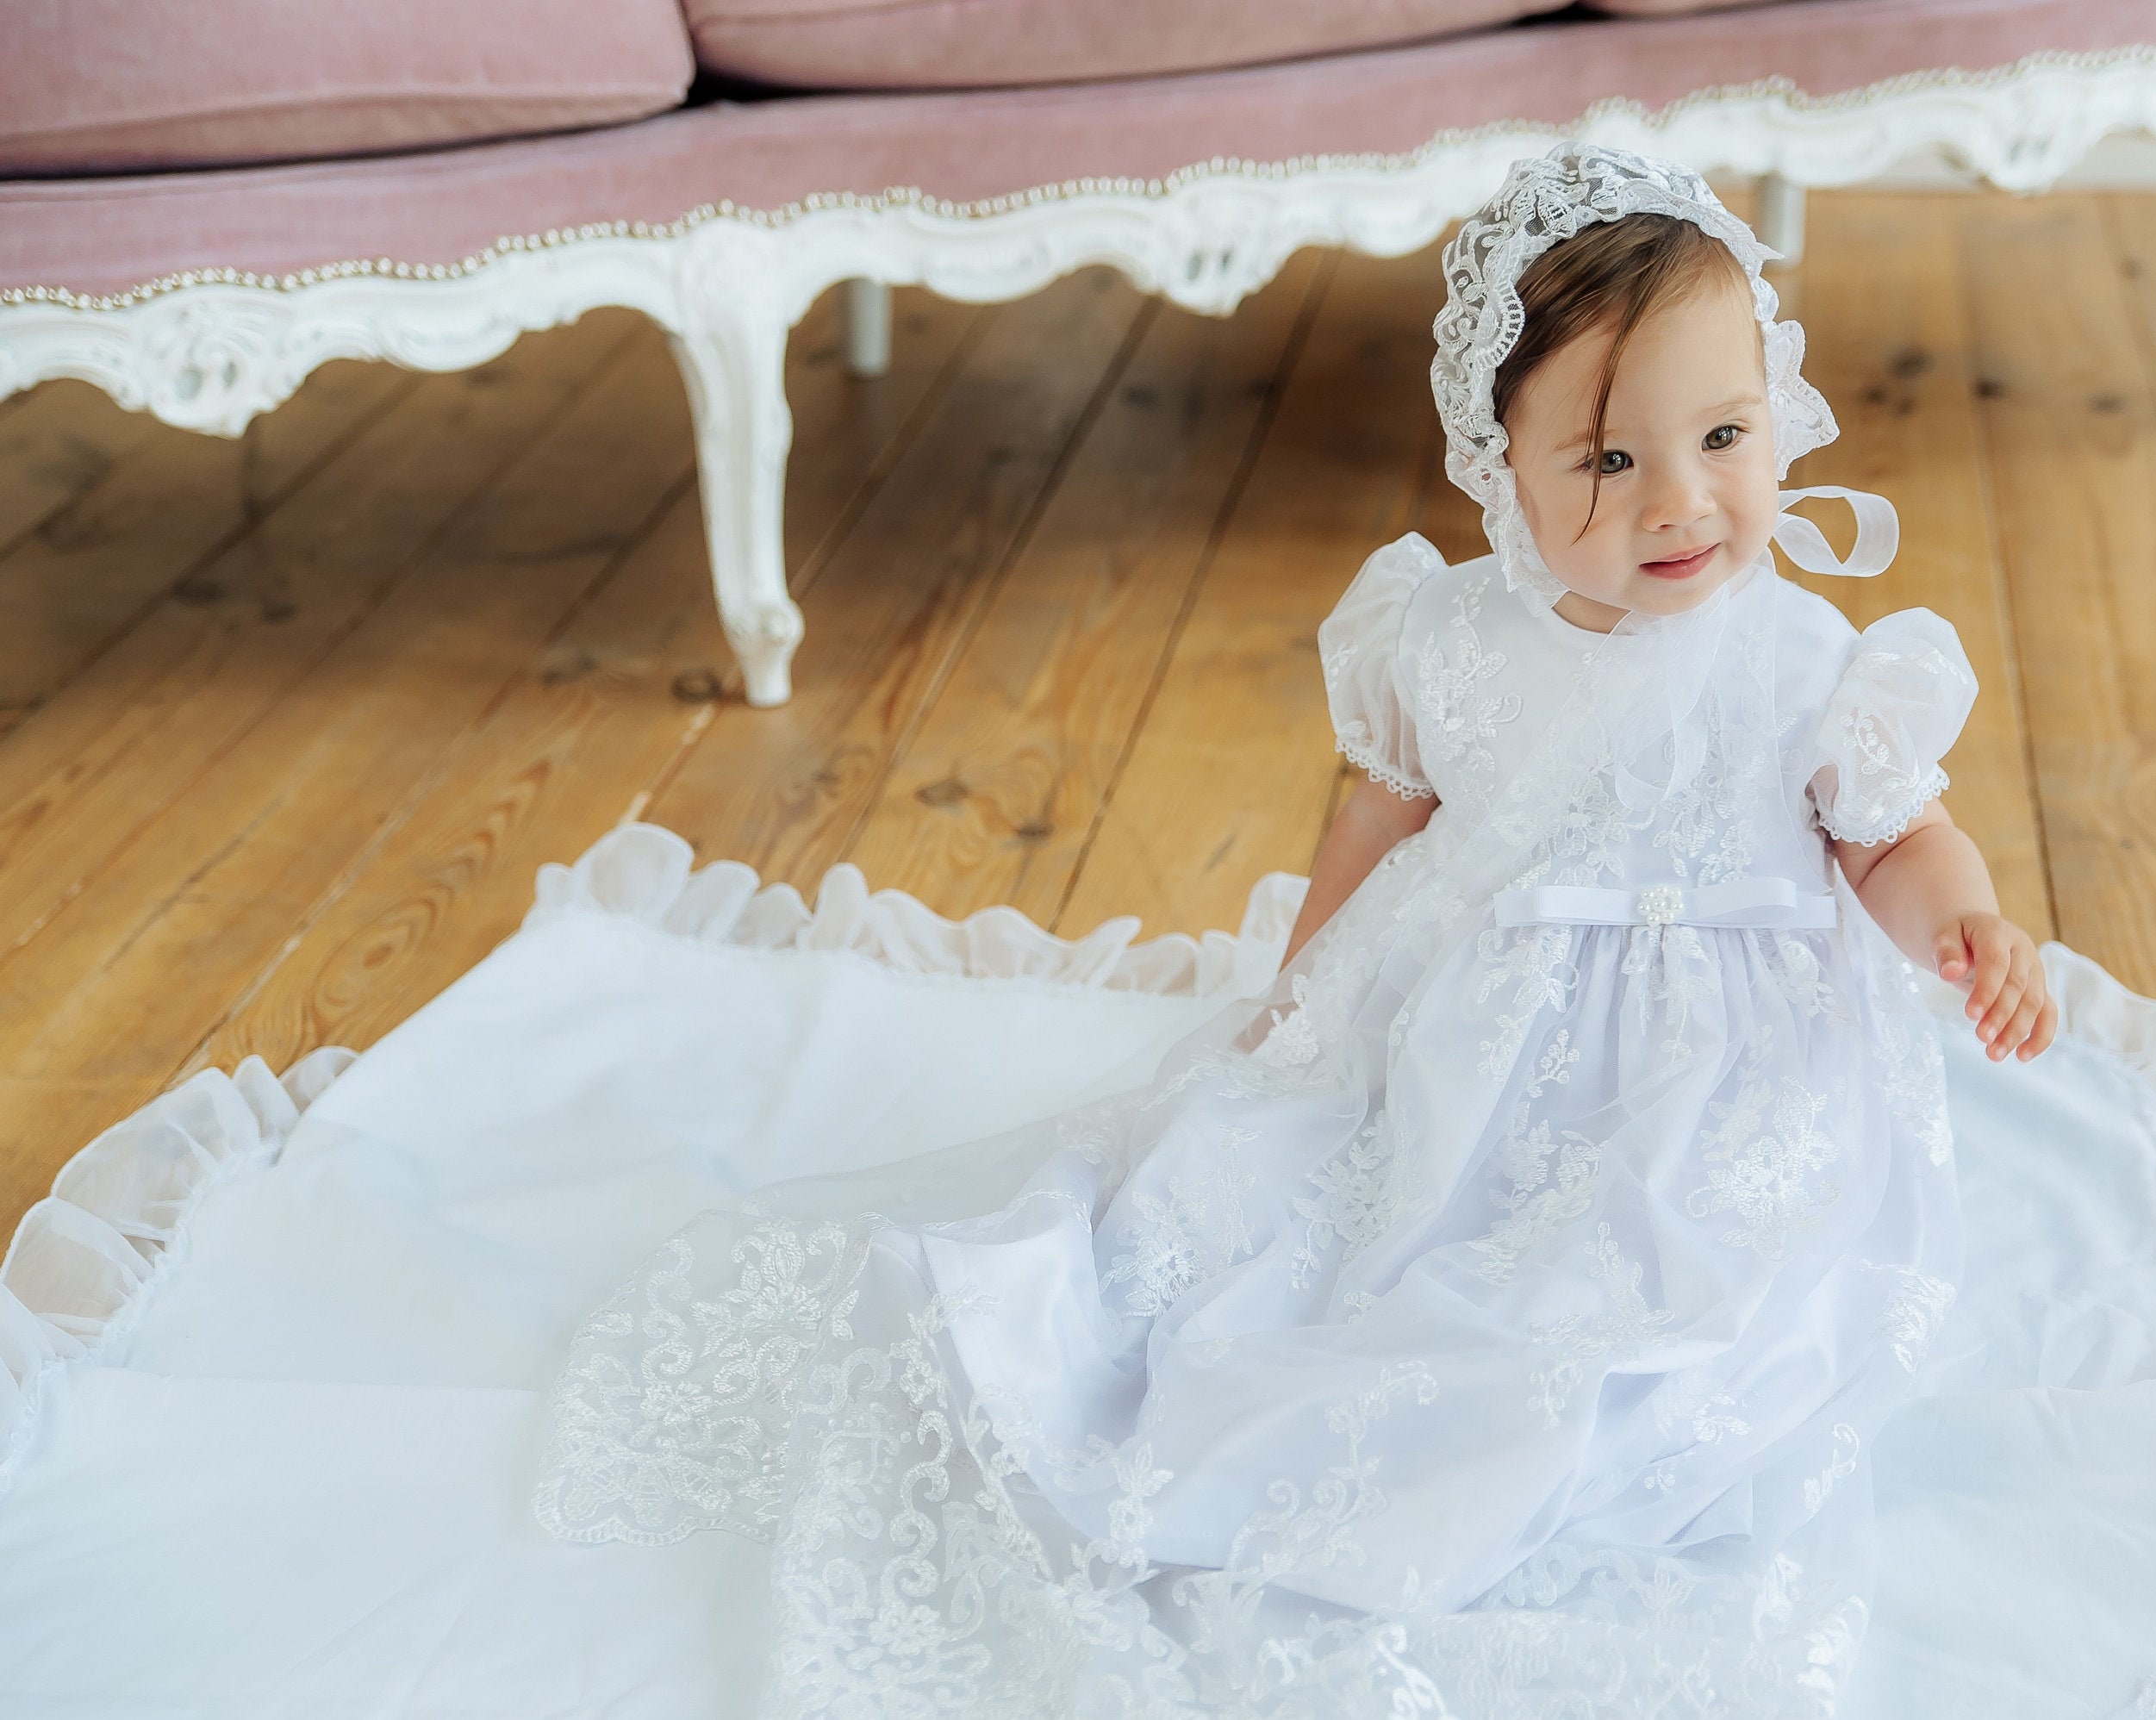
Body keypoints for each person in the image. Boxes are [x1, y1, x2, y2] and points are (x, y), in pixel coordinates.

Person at [529, 142, 2039, 1714]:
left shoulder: (1804, 651)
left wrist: (1968, 923)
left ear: (1776, 414)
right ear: (1500, 465)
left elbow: (1890, 833)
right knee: (1318, 1223)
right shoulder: (1453, 638)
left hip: (1724, 1070)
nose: (1684, 501)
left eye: (1726, 436)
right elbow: (1382, 821)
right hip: (1483, 1040)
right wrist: (1306, 995)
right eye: (1607, 462)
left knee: (1676, 1299)